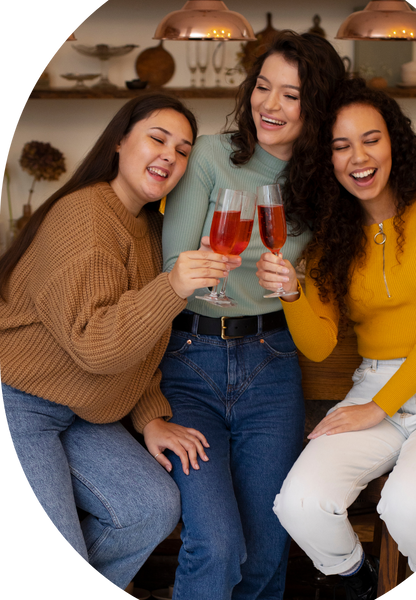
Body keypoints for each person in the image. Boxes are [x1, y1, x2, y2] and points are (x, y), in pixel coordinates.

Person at [0, 93, 233, 593]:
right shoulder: (84, 217)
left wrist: (150, 417)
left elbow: (143, 344)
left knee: (151, 508)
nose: (170, 156)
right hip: (17, 402)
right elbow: (97, 344)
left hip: (81, 411)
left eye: (183, 150)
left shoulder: (151, 226)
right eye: (157, 138)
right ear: (119, 142)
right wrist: (172, 287)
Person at [160, 30, 346, 600]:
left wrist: (295, 287)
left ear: (316, 108)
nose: (270, 104)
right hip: (191, 362)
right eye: (263, 87)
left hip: (272, 363)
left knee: (267, 552)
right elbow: (171, 266)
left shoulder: (325, 185)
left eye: (291, 95)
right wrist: (202, 268)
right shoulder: (211, 155)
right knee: (217, 544)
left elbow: (324, 289)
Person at [259, 77, 416, 599]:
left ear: (395, 142)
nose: (359, 158)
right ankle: (359, 584)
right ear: (327, 160)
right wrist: (291, 292)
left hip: (387, 398)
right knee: (300, 503)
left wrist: (378, 407)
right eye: (341, 146)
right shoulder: (332, 239)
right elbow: (320, 345)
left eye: (371, 139)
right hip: (375, 384)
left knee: (407, 507)